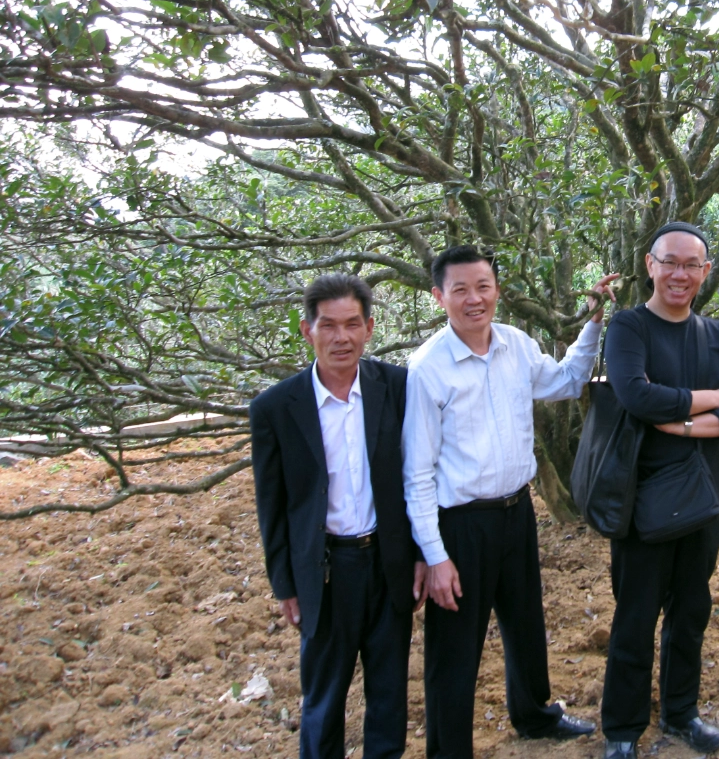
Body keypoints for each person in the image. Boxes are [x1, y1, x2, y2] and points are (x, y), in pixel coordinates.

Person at [402, 244, 618, 759]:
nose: (474, 299)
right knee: (455, 646)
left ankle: (535, 715)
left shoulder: (516, 345)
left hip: (516, 511)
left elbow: (566, 381)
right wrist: (434, 555)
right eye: (460, 290)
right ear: (439, 297)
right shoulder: (427, 368)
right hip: (460, 525)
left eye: (483, 287)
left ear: (496, 289)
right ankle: (449, 749)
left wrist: (594, 320)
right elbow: (416, 474)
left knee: (525, 623)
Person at [600, 222, 719, 759]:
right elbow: (635, 396)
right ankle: (622, 730)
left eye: (692, 265)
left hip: (700, 498)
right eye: (670, 262)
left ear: (705, 272)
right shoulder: (628, 328)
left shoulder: (717, 335)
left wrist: (689, 423)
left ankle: (680, 712)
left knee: (691, 611)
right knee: (636, 616)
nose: (680, 275)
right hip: (641, 500)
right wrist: (709, 396)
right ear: (649, 264)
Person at [250, 273, 426, 759]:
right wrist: (285, 583)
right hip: (325, 572)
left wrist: (420, 555)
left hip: (389, 563)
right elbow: (273, 504)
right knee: (323, 698)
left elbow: (418, 476)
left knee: (389, 694)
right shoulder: (275, 408)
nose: (341, 338)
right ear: (307, 330)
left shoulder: (398, 387)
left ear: (370, 327)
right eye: (328, 326)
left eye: (352, 324)